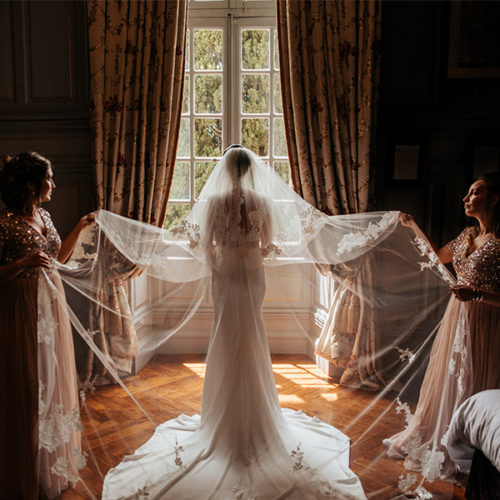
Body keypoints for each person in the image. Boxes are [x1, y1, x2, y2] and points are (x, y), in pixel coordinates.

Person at [101, 146, 367, 499]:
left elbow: (205, 243)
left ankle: (220, 419)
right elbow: (268, 242)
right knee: (252, 333)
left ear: (225, 171)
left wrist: (223, 259)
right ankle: (256, 411)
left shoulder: (214, 202)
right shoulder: (261, 200)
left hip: (225, 274)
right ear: (249, 170)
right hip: (253, 274)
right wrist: (247, 248)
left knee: (225, 336)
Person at [384, 172, 500, 479]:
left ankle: (467, 441)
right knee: (450, 374)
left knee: (475, 372)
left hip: (487, 321)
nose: (465, 198)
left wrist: (476, 293)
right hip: (457, 317)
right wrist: (413, 227)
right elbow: (437, 258)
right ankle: (441, 430)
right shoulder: (466, 236)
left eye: (474, 193)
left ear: (494, 199)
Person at [0, 152, 95, 499]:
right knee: (26, 386)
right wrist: (22, 263)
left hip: (50, 309)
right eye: (49, 179)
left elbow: (55, 260)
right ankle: (23, 468)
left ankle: (50, 464)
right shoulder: (5, 224)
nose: (53, 184)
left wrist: (80, 227)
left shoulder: (45, 215)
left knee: (52, 380)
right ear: (31, 184)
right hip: (19, 311)